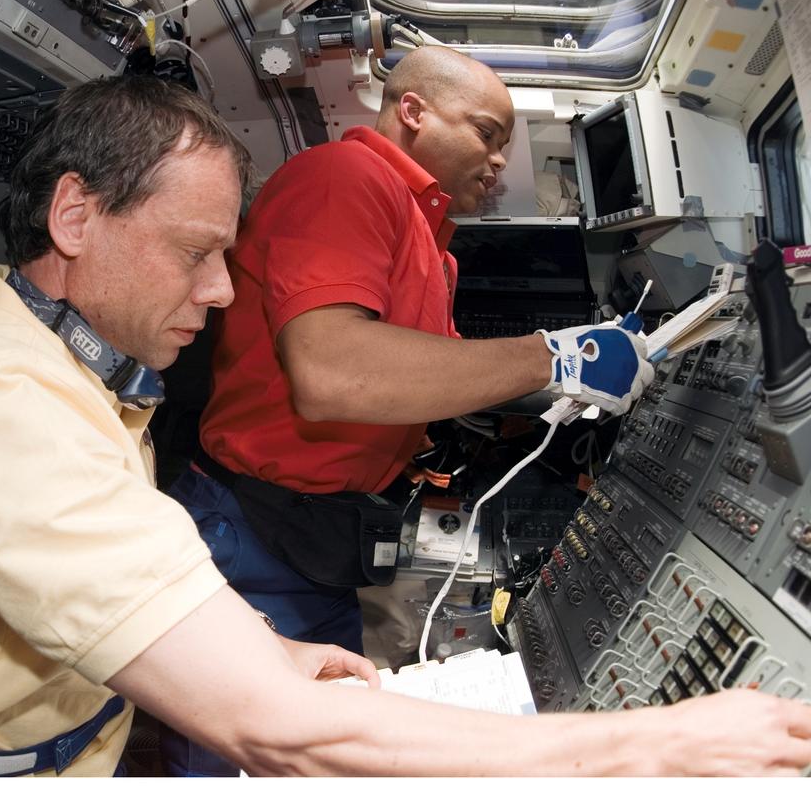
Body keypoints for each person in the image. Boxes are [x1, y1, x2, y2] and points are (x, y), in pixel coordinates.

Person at [0, 75, 811, 778]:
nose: (226, 291)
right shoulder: (1, 401)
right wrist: (657, 744)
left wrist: (266, 650)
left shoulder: (43, 352)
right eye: (197, 252)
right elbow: (272, 725)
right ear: (74, 213)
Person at [163, 45, 654, 774]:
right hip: (258, 534)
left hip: (317, 537)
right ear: (413, 111)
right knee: (244, 764)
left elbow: (431, 379)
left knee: (321, 756)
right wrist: (557, 357)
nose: (497, 160)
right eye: (487, 132)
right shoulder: (343, 179)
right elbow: (331, 372)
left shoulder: (432, 243)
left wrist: (555, 394)